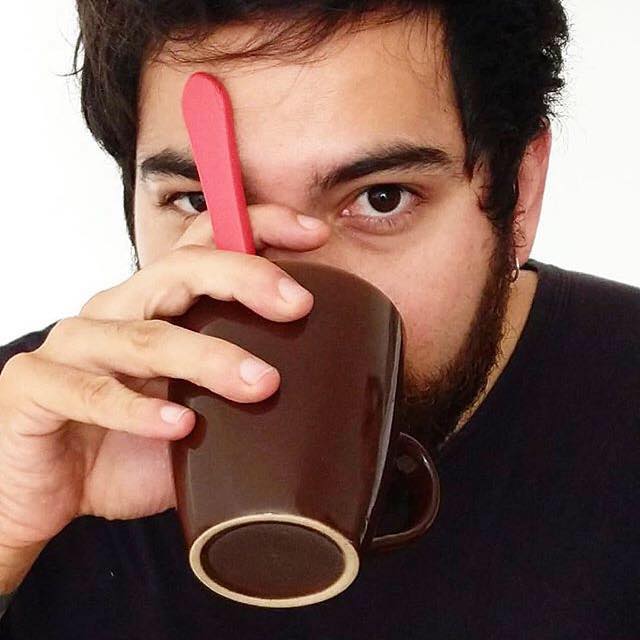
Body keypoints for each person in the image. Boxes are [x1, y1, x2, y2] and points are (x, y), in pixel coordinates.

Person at [0, 1, 638, 637]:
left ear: (520, 194)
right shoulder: (32, 436)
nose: (279, 293)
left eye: (382, 198)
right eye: (197, 202)